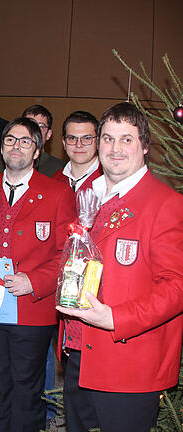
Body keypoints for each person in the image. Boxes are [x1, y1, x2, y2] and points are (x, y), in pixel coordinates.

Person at [55, 102, 183, 431]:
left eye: (127, 139)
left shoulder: (165, 204)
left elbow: (176, 287)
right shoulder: (88, 195)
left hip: (127, 363)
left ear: (144, 146)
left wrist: (116, 318)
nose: (116, 148)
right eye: (108, 138)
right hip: (78, 354)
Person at [0, 117, 75, 431]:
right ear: (2, 149)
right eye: (10, 140)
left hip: (32, 306)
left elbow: (68, 253)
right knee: (1, 383)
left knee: (27, 385)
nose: (17, 146)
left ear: (36, 152)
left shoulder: (57, 193)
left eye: (25, 141)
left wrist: (34, 281)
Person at [0, 105, 67, 180]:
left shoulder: (60, 168)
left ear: (49, 134)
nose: (33, 130)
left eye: (40, 126)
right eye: (28, 124)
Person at [52, 110, 102, 193]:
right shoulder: (55, 179)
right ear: (64, 143)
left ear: (98, 142)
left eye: (86, 138)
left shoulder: (108, 180)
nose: (79, 145)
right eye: (72, 138)